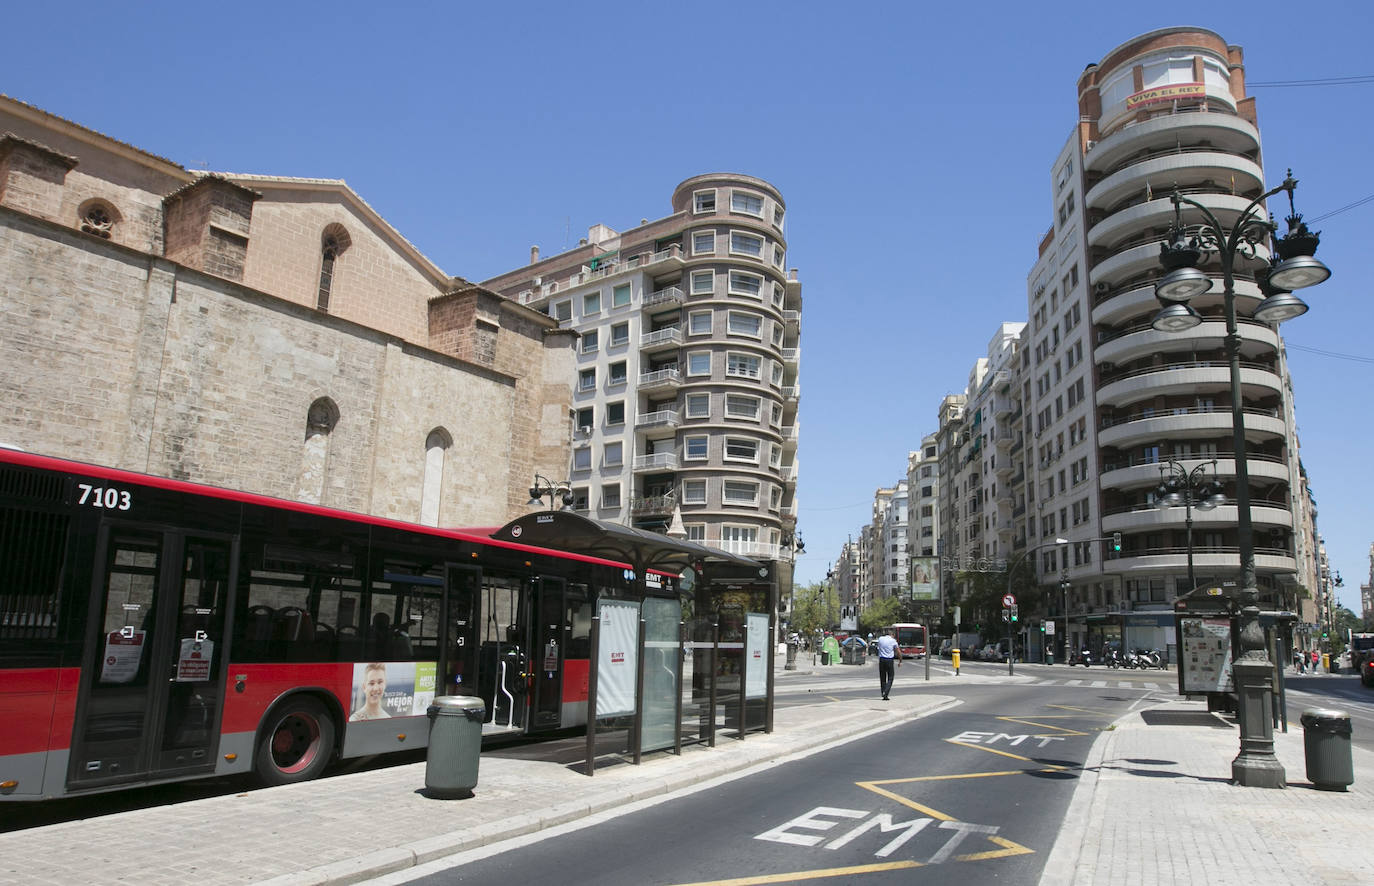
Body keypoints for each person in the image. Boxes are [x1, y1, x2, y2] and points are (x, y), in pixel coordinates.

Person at [874, 629, 900, 700]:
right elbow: (898, 651)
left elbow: (878, 647)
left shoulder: (880, 639)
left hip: (882, 659)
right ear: (893, 635)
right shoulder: (893, 641)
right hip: (889, 660)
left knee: (882, 677)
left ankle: (883, 692)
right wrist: (900, 660)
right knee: (890, 677)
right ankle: (886, 692)